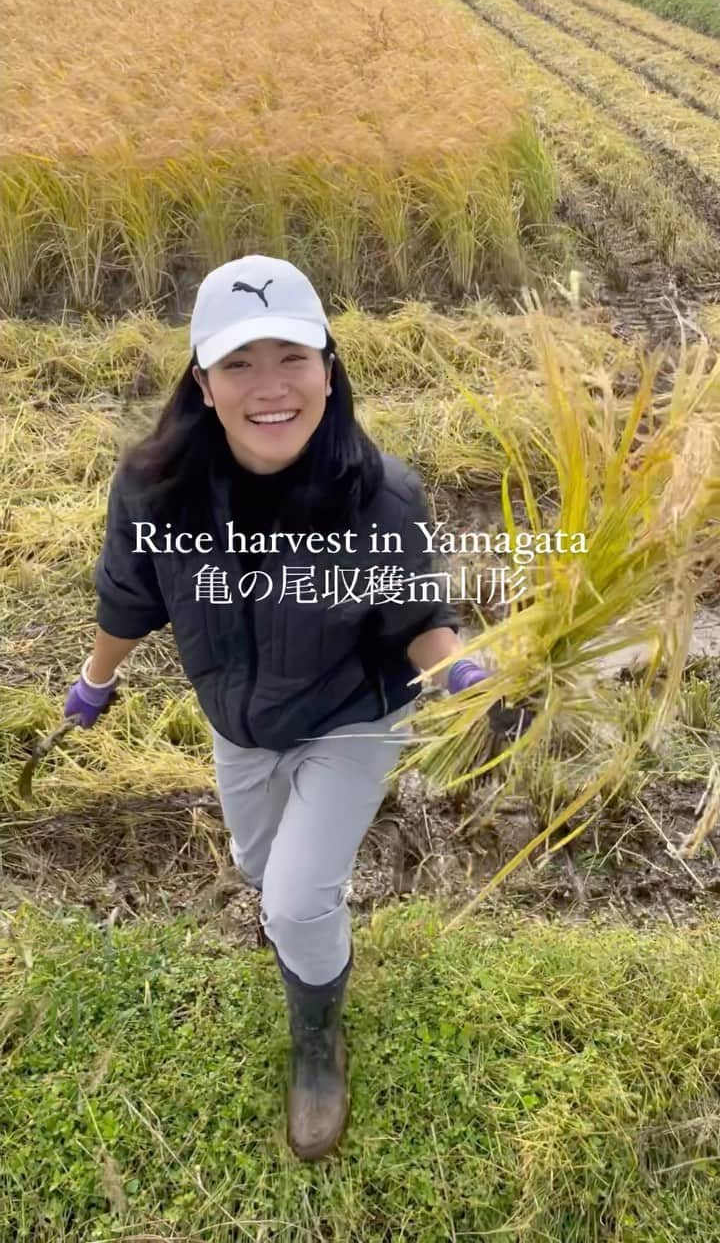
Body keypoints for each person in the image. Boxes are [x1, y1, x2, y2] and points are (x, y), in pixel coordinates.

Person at [64, 254, 502, 1162]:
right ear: (203, 381)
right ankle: (310, 939)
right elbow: (129, 597)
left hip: (352, 713)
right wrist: (97, 680)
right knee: (262, 870)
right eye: (240, 364)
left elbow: (421, 620)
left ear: (330, 370)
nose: (270, 388)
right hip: (239, 722)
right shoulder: (156, 488)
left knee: (297, 901)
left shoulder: (380, 495)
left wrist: (469, 679)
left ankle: (317, 1041)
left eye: (293, 358)